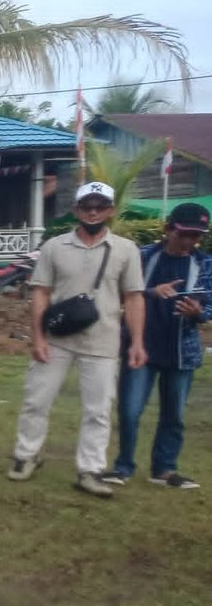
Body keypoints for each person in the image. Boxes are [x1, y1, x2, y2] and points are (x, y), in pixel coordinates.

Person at [10, 182, 146, 498]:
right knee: (37, 399)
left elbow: (134, 297)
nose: (93, 212)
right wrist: (38, 337)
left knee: (98, 410)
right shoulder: (55, 247)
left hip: (103, 341)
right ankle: (26, 454)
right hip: (57, 338)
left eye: (100, 206)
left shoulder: (126, 249)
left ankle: (90, 469)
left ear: (110, 210)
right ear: (76, 210)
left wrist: (137, 342)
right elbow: (41, 293)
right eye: (87, 206)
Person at [102, 203, 209, 490]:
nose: (189, 241)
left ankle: (164, 469)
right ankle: (123, 466)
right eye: (184, 233)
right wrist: (151, 292)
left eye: (196, 235)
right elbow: (120, 293)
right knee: (130, 410)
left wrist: (198, 313)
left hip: (182, 351)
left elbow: (209, 304)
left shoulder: (205, 263)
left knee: (174, 415)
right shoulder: (143, 255)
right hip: (142, 346)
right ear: (168, 229)